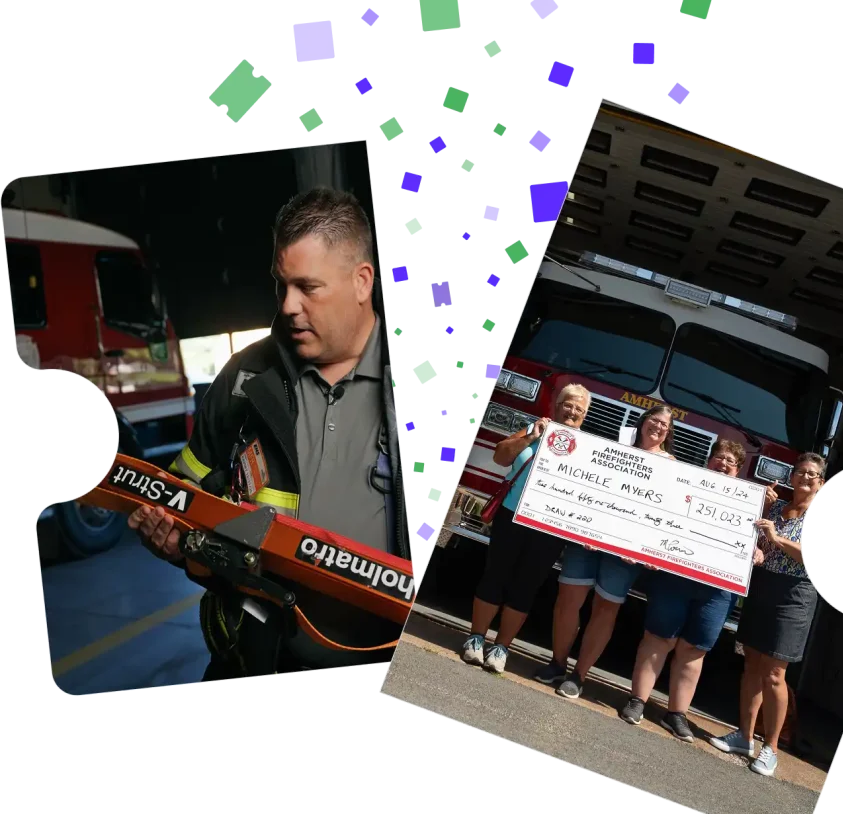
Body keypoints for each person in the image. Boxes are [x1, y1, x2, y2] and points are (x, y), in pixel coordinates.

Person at [126, 186, 410, 680]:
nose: (287, 306)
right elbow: (180, 498)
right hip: (253, 660)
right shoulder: (242, 380)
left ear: (362, 281)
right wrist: (174, 541)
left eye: (308, 287)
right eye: (281, 285)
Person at [535, 404, 678, 698]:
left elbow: (664, 511)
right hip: (587, 538)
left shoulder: (671, 464)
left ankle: (579, 675)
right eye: (654, 420)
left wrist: (644, 548)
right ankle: (557, 663)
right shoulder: (615, 447)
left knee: (605, 609)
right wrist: (585, 525)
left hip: (625, 552)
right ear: (643, 421)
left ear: (669, 432)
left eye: (665, 425)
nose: (658, 427)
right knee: (567, 600)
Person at [618, 439, 757, 739]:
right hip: (674, 579)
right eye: (717, 458)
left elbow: (758, 542)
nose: (722, 464)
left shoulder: (751, 502)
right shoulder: (683, 484)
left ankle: (676, 714)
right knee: (657, 638)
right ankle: (637, 700)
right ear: (708, 461)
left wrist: (756, 551)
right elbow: (659, 519)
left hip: (717, 589)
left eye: (729, 462)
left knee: (694, 649)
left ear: (739, 469)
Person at [460, 384, 592, 675]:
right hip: (512, 514)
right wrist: (532, 436)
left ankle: (501, 647)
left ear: (585, 415)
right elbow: (500, 456)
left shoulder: (590, 449)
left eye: (579, 409)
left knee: (526, 586)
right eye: (568, 405)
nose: (572, 412)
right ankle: (476, 637)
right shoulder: (534, 428)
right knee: (495, 574)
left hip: (550, 525)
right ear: (556, 405)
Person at [710, 453, 826, 777]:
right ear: (792, 477)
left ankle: (771, 748)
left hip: (795, 596)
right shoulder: (776, 508)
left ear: (821, 482)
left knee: (775, 673)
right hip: (763, 587)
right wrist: (760, 512)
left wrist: (776, 537)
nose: (804, 478)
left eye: (812, 474)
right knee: (750, 663)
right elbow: (757, 540)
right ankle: (744, 736)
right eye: (800, 472)